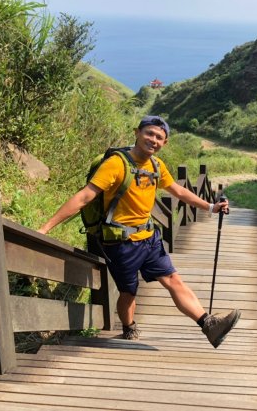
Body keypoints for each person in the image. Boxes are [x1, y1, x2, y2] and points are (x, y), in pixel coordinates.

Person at [38, 115, 240, 348]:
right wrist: (45, 228)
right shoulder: (116, 164)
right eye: (149, 134)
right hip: (121, 243)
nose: (153, 140)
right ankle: (128, 326)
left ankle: (208, 325)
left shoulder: (156, 165)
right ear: (137, 133)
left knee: (173, 279)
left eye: (159, 137)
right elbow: (84, 197)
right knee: (128, 293)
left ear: (165, 143)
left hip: (149, 238)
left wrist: (210, 207)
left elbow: (178, 191)